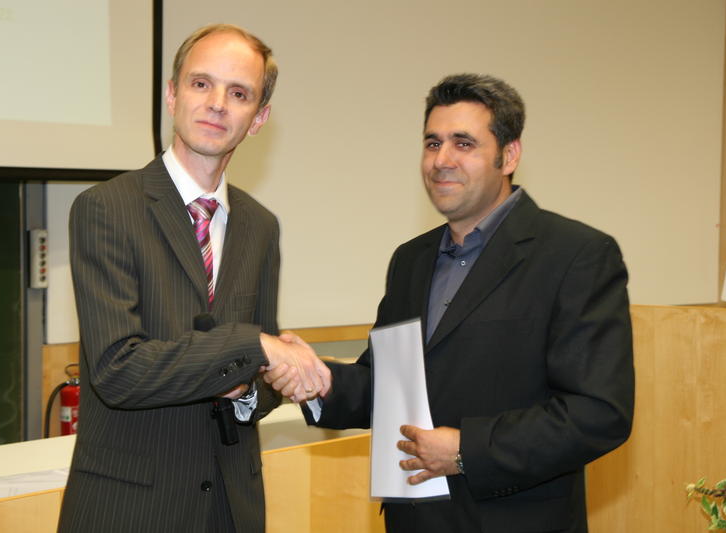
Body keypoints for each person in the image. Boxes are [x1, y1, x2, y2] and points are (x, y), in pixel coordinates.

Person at [266, 73, 634, 532]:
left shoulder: (576, 255)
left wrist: (465, 451)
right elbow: (387, 384)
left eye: (463, 143)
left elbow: (598, 413)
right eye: (432, 143)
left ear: (509, 155)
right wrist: (314, 379)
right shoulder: (410, 260)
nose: (442, 160)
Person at [58, 24, 329, 533]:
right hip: (131, 512)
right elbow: (118, 370)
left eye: (239, 93)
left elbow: (259, 376)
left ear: (258, 118)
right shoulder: (106, 208)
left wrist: (253, 388)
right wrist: (254, 347)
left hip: (230, 507)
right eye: (201, 84)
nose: (217, 104)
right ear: (172, 95)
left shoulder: (261, 226)